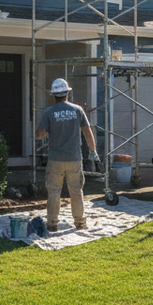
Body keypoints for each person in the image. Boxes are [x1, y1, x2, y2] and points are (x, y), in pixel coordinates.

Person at [36, 78, 100, 232]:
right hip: (74, 159)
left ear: (54, 95)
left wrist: (44, 131)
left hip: (55, 159)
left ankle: (52, 224)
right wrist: (93, 151)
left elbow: (40, 135)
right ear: (67, 94)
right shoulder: (78, 110)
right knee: (76, 191)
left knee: (54, 191)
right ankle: (80, 222)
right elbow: (87, 131)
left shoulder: (48, 112)